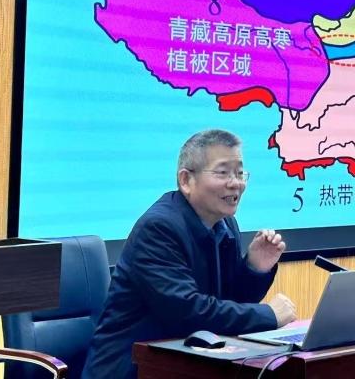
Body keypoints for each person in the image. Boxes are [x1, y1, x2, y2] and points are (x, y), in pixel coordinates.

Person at [81, 129, 297, 379]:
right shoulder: (158, 228)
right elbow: (188, 313)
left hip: (189, 363)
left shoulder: (225, 224)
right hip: (132, 369)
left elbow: (230, 301)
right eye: (223, 172)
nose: (236, 183)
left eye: (240, 173)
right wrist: (268, 315)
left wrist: (254, 268)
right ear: (186, 180)